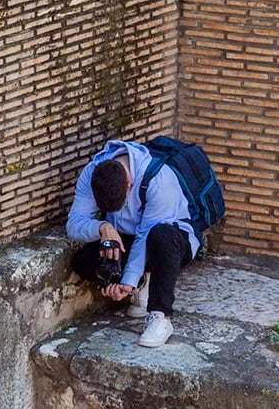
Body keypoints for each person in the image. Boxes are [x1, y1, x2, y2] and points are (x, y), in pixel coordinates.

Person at [65, 139, 202, 348]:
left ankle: (161, 317)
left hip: (171, 239)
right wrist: (102, 227)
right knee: (83, 261)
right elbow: (73, 224)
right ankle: (142, 283)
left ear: (129, 182)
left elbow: (143, 237)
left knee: (161, 236)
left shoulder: (159, 180)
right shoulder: (92, 172)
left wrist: (126, 281)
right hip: (125, 235)